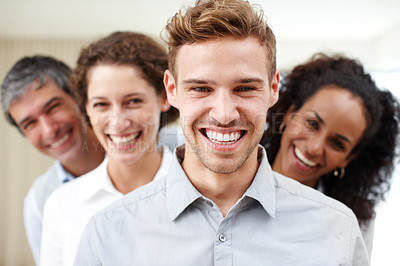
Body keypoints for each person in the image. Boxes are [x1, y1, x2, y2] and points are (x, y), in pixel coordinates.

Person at [74, 1, 370, 265]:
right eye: (201, 88)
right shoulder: (108, 234)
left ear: (273, 89)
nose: (225, 114)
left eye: (245, 88)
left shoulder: (337, 230)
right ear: (172, 90)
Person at [40, 31, 179, 266]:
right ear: (87, 108)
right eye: (101, 104)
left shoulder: (201, 193)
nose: (118, 122)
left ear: (164, 97)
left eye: (133, 101)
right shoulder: (62, 205)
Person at [260, 53, 400, 256]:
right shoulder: (224, 180)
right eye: (312, 124)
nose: (314, 148)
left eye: (337, 143)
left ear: (349, 157)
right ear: (290, 114)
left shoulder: (353, 223)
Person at [0, 55, 105, 264]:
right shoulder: (39, 202)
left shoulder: (154, 154)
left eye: (53, 107)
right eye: (30, 123)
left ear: (79, 97)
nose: (49, 130)